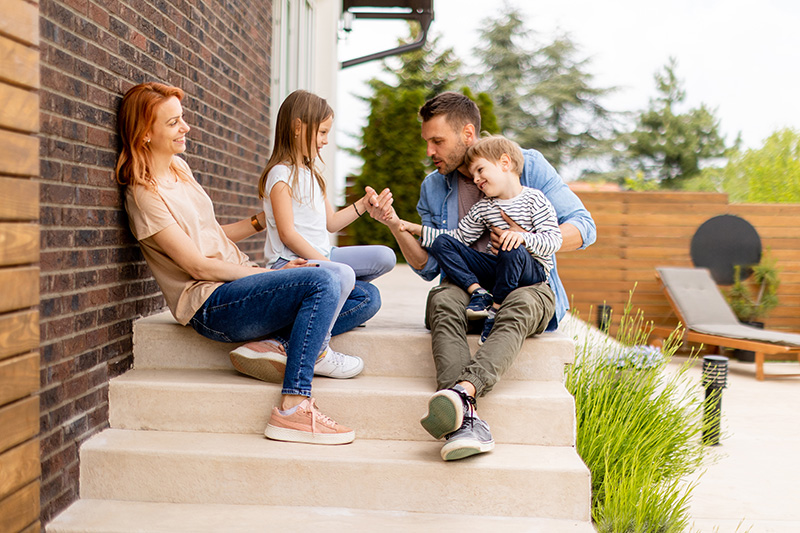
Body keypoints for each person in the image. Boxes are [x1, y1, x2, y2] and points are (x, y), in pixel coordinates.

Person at [117, 81, 355, 445]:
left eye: (183, 119)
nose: (186, 128)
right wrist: (266, 274)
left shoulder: (179, 170)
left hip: (237, 284)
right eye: (173, 123)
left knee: (363, 295)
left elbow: (210, 234)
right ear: (145, 134)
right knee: (322, 281)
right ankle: (293, 406)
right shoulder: (144, 196)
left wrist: (261, 221)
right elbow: (199, 266)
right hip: (211, 302)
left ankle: (279, 344)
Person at [365, 92, 596, 461]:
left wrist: (525, 237)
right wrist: (396, 226)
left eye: (437, 141)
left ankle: (463, 394)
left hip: (526, 280)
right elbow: (428, 266)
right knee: (441, 298)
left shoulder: (525, 164)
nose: (430, 151)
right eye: (426, 141)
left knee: (518, 303)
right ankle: (465, 418)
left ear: (467, 134)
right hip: (472, 283)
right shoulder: (434, 187)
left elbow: (584, 228)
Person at [249, 89, 396, 380]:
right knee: (358, 289)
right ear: (298, 127)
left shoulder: (312, 174)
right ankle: (318, 350)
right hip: (291, 264)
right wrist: (332, 268)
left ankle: (289, 335)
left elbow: (330, 223)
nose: (326, 140)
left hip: (321, 254)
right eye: (323, 132)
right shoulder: (279, 175)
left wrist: (363, 205)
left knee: (384, 259)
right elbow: (289, 235)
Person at [400, 135, 562, 346]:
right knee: (443, 243)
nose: (476, 179)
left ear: (505, 163)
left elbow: (554, 240)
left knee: (509, 246)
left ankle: (496, 308)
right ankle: (478, 292)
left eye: (480, 170)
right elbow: (458, 238)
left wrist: (521, 238)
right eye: (473, 174)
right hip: (496, 268)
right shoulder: (485, 207)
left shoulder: (535, 199)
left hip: (531, 270)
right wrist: (415, 229)